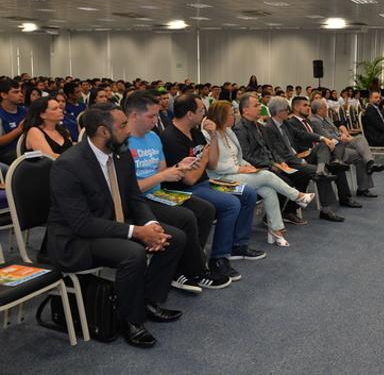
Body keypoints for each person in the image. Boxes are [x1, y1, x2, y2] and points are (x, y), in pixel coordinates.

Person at [46, 103, 187, 348]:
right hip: (76, 239)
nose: (129, 130)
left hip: (110, 224)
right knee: (133, 253)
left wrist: (151, 225)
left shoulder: (120, 154)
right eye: (123, 125)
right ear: (103, 131)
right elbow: (82, 223)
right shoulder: (68, 165)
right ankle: (130, 320)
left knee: (173, 237)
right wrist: (137, 232)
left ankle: (148, 301)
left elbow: (134, 197)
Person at [125, 91, 229, 292]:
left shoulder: (154, 137)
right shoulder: (123, 143)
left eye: (157, 115)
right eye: (151, 116)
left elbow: (162, 170)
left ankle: (187, 265)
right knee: (186, 217)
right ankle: (195, 270)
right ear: (134, 116)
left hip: (157, 193)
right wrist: (163, 176)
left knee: (206, 209)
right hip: (139, 199)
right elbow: (127, 189)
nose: (156, 121)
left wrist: (179, 166)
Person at [160, 93, 263, 282]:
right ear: (190, 114)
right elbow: (189, 179)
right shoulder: (170, 137)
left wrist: (214, 136)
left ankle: (238, 245)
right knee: (231, 204)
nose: (205, 114)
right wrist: (204, 158)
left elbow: (213, 164)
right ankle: (219, 258)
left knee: (247, 193)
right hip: (185, 189)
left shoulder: (195, 132)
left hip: (206, 182)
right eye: (201, 110)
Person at [204, 100, 315, 247]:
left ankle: (275, 230)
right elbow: (213, 166)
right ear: (221, 116)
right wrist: (238, 169)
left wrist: (247, 166)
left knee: (269, 190)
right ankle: (298, 196)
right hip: (219, 180)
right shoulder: (209, 134)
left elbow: (238, 157)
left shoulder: (228, 131)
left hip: (236, 174)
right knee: (266, 175)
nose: (234, 116)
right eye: (231, 114)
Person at [260, 96, 347, 222]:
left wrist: (322, 138)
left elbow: (302, 134)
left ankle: (321, 170)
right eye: (286, 110)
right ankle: (318, 209)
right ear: (278, 112)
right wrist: (299, 161)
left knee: (322, 147)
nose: (288, 112)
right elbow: (279, 153)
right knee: (315, 173)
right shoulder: (269, 128)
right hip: (286, 162)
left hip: (298, 157)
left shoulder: (285, 123)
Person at [286, 97, 361, 208]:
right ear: (296, 107)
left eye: (309, 105)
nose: (308, 108)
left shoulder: (308, 121)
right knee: (325, 147)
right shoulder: (291, 123)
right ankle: (327, 207)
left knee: (337, 163)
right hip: (305, 155)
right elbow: (304, 136)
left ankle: (345, 198)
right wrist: (323, 139)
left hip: (320, 153)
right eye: (305, 105)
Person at [309, 99, 384, 198]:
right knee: (360, 154)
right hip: (332, 148)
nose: (327, 108)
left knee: (360, 139)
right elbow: (327, 136)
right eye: (325, 107)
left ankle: (369, 165)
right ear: (319, 110)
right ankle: (369, 166)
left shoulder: (326, 118)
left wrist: (343, 135)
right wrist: (341, 137)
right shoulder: (314, 121)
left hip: (341, 142)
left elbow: (336, 130)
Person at [0, 79, 27, 164]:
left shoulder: (25, 111)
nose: (21, 94)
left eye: (20, 91)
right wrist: (19, 129)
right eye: (16, 92)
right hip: (7, 154)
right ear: (4, 95)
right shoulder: (1, 114)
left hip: (26, 149)